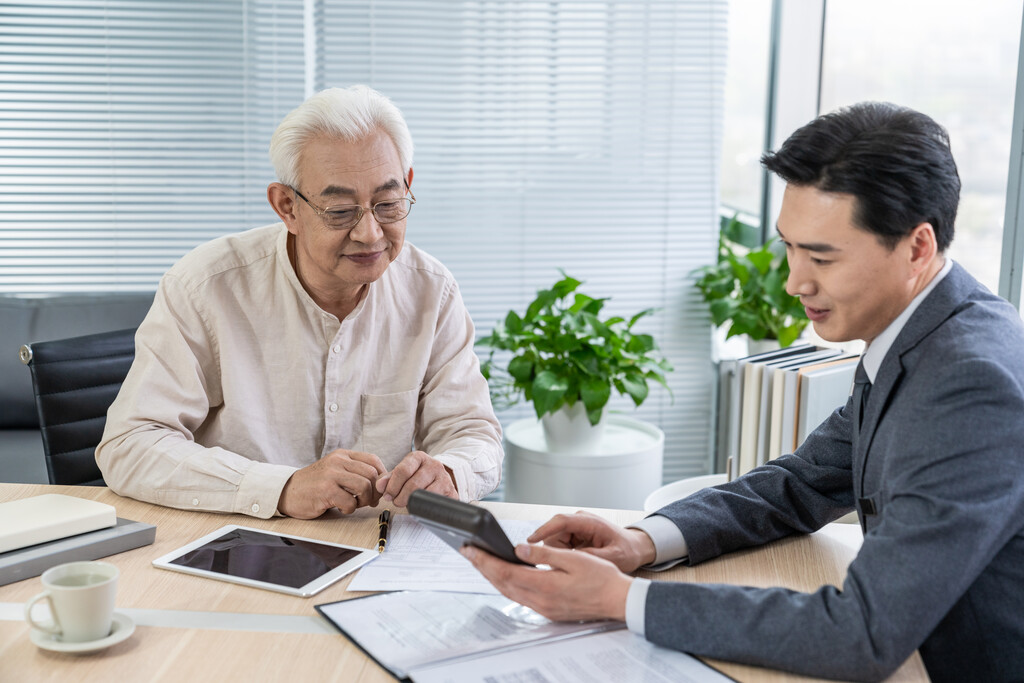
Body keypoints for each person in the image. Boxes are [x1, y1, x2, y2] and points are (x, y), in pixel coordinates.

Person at [463, 102, 1024, 682]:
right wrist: (641, 542)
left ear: (917, 247)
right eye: (790, 246)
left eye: (822, 257)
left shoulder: (969, 381)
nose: (794, 281)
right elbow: (802, 482)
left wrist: (619, 600)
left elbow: (862, 632)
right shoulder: (922, 332)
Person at [97, 86, 503, 520]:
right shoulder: (205, 287)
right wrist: (282, 487)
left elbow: (473, 433)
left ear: (408, 186)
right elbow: (129, 446)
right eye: (341, 211)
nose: (370, 233)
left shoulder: (431, 291)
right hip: (239, 544)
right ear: (287, 206)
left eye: (388, 204)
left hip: (374, 547)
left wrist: (449, 471)